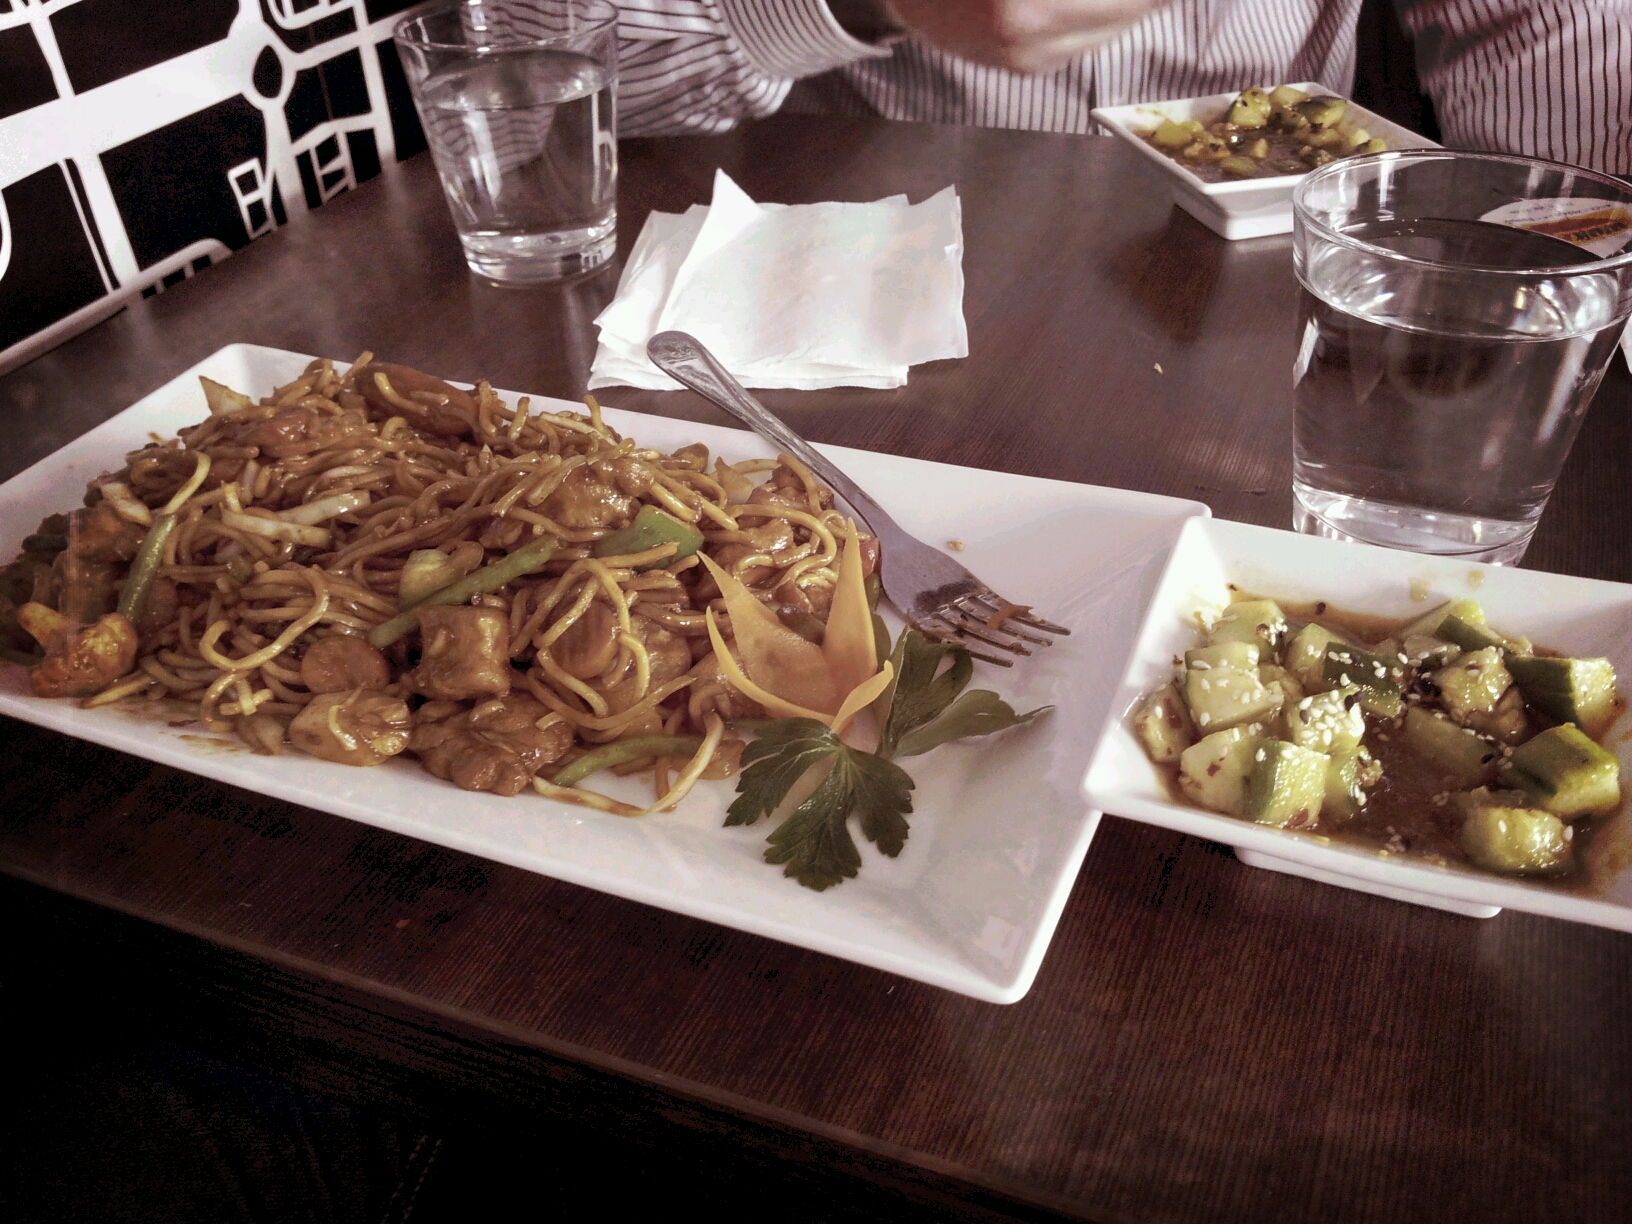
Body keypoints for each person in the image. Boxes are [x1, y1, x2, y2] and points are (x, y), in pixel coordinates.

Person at [615, 0, 1630, 175]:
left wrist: (1563, 255)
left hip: (1267, 296)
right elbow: (518, 73)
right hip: (818, 281)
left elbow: (1552, 30)